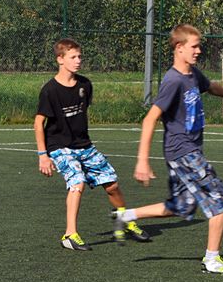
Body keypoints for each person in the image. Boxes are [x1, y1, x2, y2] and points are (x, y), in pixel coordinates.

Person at [113, 24, 223, 274]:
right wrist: (142, 161)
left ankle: (127, 215)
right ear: (179, 47)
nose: (199, 51)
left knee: (181, 206)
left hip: (185, 152)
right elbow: (150, 118)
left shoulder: (193, 75)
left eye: (199, 46)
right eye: (194, 46)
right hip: (183, 152)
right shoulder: (173, 80)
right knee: (220, 200)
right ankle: (212, 259)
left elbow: (211, 86)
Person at [35, 38, 150, 251]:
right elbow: (39, 122)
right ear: (60, 59)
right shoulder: (49, 90)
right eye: (73, 57)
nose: (78, 61)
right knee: (77, 182)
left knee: (112, 184)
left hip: (84, 146)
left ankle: (124, 219)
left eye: (80, 56)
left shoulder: (85, 85)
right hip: (59, 147)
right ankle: (70, 235)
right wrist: (43, 155)